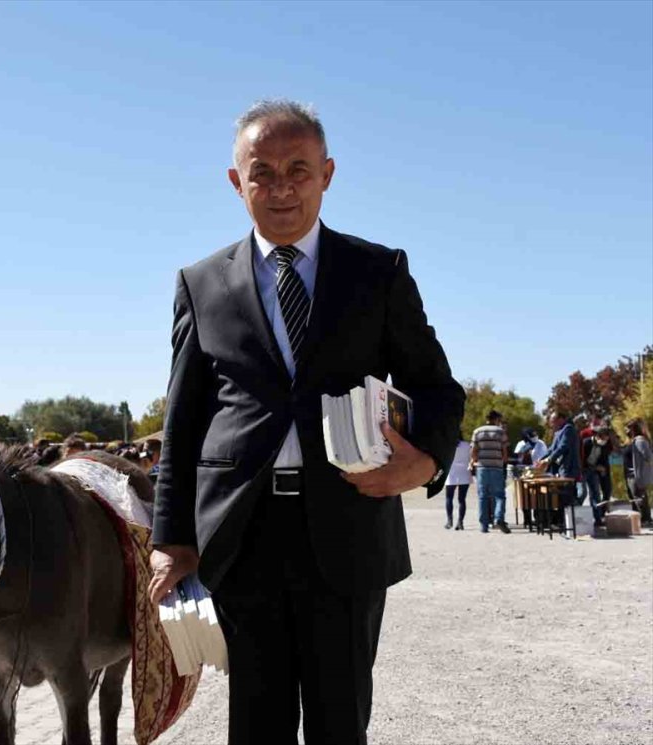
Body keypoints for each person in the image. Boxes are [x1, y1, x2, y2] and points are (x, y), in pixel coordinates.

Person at [148, 99, 465, 745]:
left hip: (347, 529)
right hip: (240, 535)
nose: (282, 187)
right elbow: (183, 421)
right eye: (262, 171)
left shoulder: (378, 272)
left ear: (328, 173)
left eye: (299, 168)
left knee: (339, 718)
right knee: (255, 723)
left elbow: (436, 386)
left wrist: (426, 461)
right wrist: (171, 534)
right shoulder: (200, 283)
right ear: (237, 182)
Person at [471, 411, 510, 534]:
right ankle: (498, 518)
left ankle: (484, 525)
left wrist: (475, 461)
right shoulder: (500, 432)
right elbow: (504, 450)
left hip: (482, 468)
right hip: (497, 467)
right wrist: (503, 461)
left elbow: (474, 450)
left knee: (483, 496)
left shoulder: (477, 431)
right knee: (499, 495)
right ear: (496, 419)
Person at [582, 426, 613, 527]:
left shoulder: (605, 444)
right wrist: (595, 467)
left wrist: (602, 470)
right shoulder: (586, 443)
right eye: (603, 439)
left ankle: (598, 519)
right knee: (582, 493)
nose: (604, 441)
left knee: (596, 494)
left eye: (606, 439)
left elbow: (604, 458)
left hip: (596, 470)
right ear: (597, 436)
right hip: (585, 470)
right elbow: (582, 460)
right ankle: (578, 516)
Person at [623, 418, 652, 526]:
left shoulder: (640, 441)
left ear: (634, 429)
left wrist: (641, 469)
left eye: (628, 428)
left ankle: (646, 520)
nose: (626, 431)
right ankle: (644, 519)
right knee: (637, 497)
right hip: (630, 474)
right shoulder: (633, 440)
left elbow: (649, 457)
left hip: (635, 475)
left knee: (639, 498)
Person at [444, 439, 472, 530]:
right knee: (462, 499)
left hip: (451, 472)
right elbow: (471, 457)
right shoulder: (467, 445)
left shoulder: (447, 444)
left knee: (449, 498)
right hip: (464, 472)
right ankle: (460, 522)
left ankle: (449, 520)